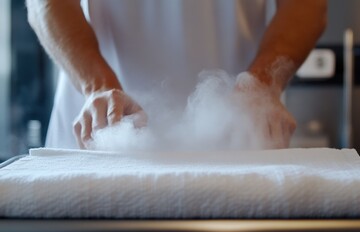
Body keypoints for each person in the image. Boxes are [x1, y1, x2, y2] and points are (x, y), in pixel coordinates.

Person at [26, 0, 327, 149]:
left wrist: (260, 84)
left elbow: (307, 5)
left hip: (240, 134)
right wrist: (97, 86)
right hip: (100, 132)